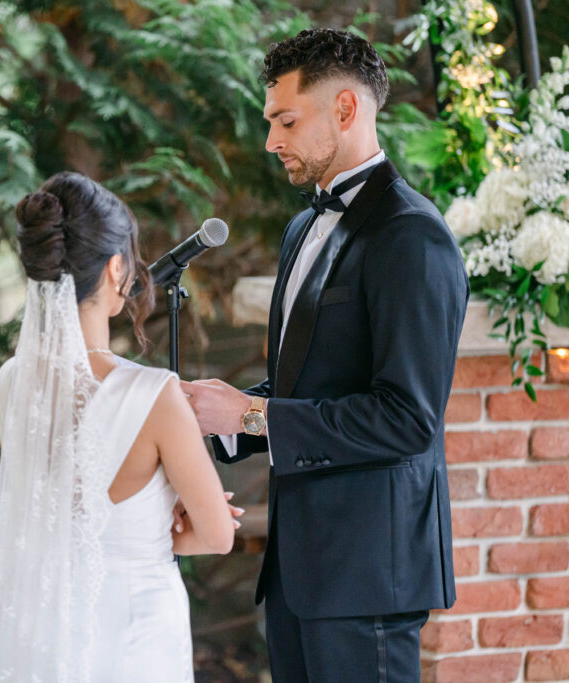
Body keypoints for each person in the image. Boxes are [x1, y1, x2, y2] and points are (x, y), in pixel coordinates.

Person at [182, 29, 469, 681]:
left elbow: (406, 418)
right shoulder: (299, 229)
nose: (271, 141)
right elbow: (308, 380)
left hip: (369, 580)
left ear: (345, 109)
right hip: (296, 573)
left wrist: (252, 416)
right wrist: (216, 417)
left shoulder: (414, 239)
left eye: (286, 120)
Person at [0, 172, 239, 682]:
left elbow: (52, 518)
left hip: (47, 629)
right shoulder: (153, 393)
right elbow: (219, 535)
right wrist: (165, 526)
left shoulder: (13, 381)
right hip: (136, 631)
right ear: (116, 267)